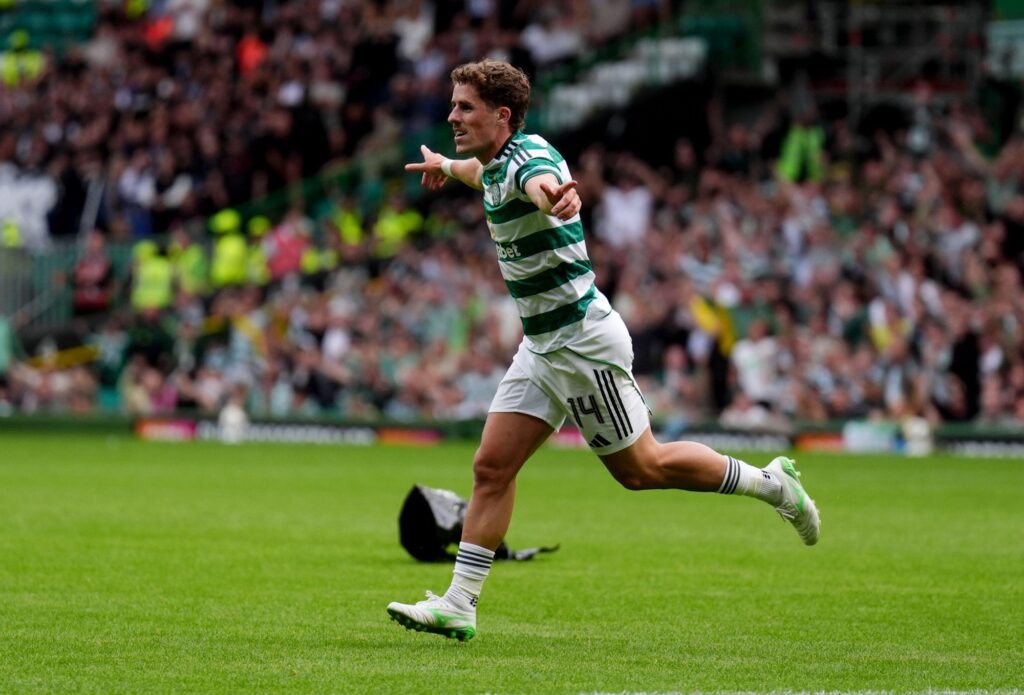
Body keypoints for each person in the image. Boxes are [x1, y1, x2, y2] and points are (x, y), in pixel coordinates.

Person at [386, 60, 820, 642]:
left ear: (501, 116)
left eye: (465, 107)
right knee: (492, 467)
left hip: (582, 344)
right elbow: (479, 173)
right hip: (543, 346)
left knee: (643, 469)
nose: (452, 115)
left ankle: (771, 484)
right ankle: (460, 604)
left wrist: (559, 202)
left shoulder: (527, 164)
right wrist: (444, 165)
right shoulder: (495, 163)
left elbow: (542, 187)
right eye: (454, 105)